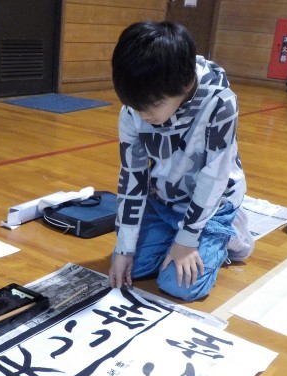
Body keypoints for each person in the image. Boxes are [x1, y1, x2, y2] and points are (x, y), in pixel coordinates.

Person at [109, 21, 254, 301]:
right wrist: (124, 248)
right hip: (164, 199)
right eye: (134, 107)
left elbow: (214, 178)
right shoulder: (134, 110)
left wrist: (187, 241)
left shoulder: (220, 103)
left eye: (152, 106)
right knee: (131, 267)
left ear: (186, 85)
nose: (142, 116)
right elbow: (132, 176)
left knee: (181, 286)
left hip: (213, 202)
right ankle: (172, 235)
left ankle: (230, 231)